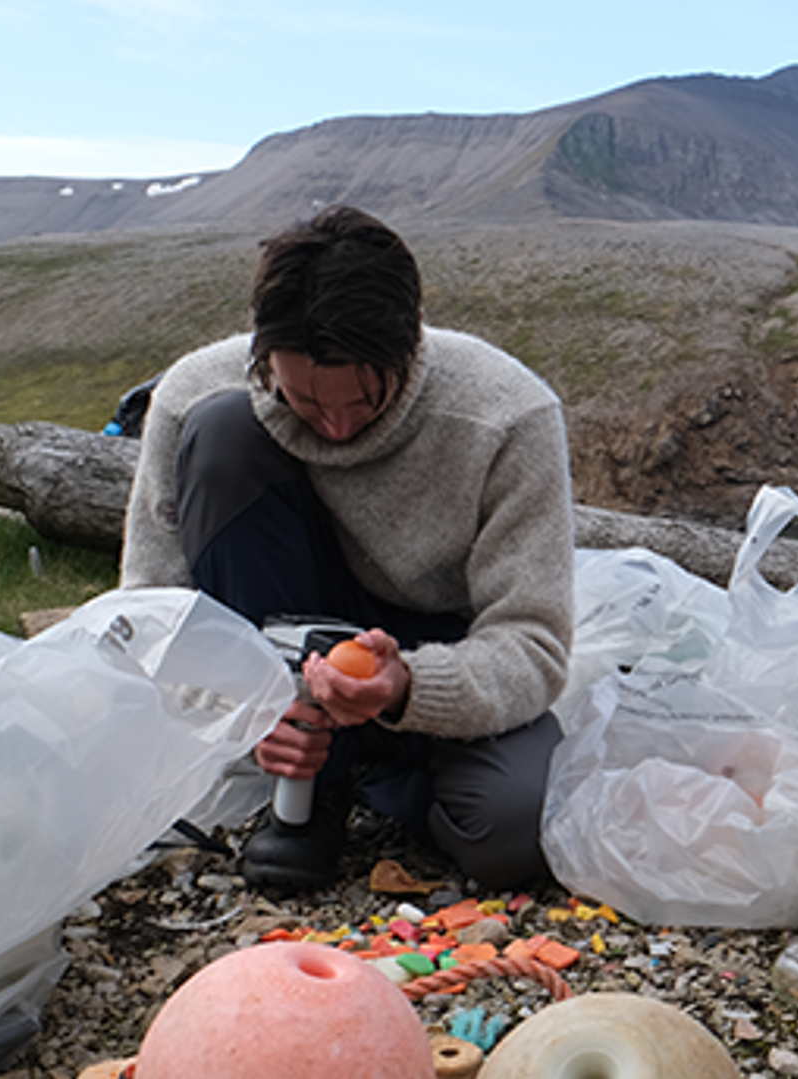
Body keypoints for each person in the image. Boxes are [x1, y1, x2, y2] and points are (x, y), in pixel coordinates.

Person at [121, 205, 575, 892]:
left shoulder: (507, 416)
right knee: (224, 435)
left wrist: (407, 689)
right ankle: (311, 790)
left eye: (364, 401)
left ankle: (371, 761)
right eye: (305, 400)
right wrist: (240, 708)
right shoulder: (192, 392)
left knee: (518, 827)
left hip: (432, 654)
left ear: (412, 348)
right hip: (272, 629)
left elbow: (533, 643)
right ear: (262, 355)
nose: (335, 427)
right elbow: (152, 611)